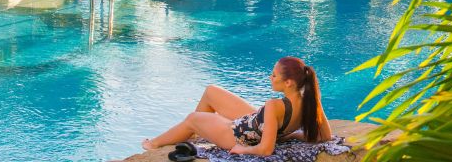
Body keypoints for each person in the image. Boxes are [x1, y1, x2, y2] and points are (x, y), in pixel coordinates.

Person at [141, 57, 333, 156]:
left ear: (289, 82)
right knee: (211, 91)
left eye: (274, 75)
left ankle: (154, 144)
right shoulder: (309, 99)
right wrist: (293, 134)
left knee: (192, 119)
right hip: (257, 124)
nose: (270, 77)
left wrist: (244, 150)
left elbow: (265, 150)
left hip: (238, 136)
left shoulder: (274, 106)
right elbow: (326, 136)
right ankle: (197, 132)